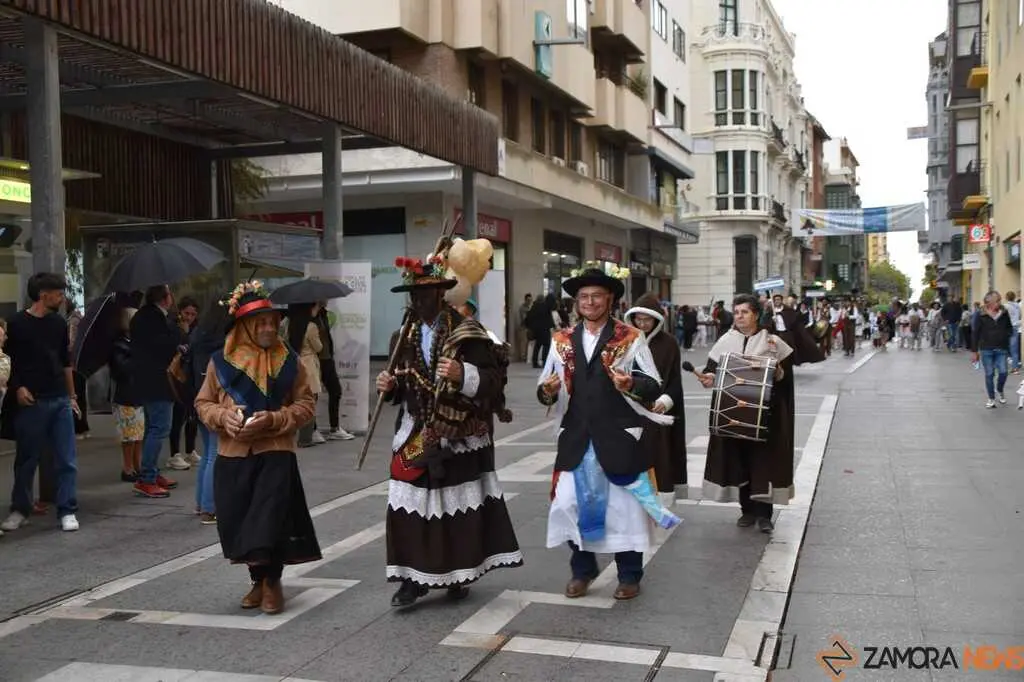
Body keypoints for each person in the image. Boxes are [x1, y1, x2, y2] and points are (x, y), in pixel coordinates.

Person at [376, 253, 522, 608]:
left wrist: (463, 375)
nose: (419, 301)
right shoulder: (401, 336)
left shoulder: (468, 333)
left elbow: (493, 383)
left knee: (457, 507)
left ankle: (459, 574)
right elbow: (401, 383)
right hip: (415, 431)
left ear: (441, 294)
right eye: (413, 295)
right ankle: (411, 580)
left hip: (458, 433)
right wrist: (389, 386)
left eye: (426, 294)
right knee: (409, 505)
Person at [537, 268, 677, 602]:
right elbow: (544, 391)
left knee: (624, 509)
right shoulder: (561, 341)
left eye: (596, 295)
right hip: (576, 436)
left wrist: (631, 384)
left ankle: (629, 575)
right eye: (583, 296)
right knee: (570, 504)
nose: (589, 302)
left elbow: (653, 384)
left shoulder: (629, 338)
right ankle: (582, 570)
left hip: (618, 435)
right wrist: (548, 390)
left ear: (609, 299)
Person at [194, 281, 321, 615]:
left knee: (270, 520)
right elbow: (202, 403)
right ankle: (257, 580)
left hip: (275, 452)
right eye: (260, 322)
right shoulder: (219, 361)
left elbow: (306, 405)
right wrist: (223, 417)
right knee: (241, 522)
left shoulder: (290, 361)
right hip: (232, 454)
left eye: (271, 321)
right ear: (245, 326)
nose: (268, 327)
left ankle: (272, 583)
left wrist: (276, 419)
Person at [694, 294, 795, 533]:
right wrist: (707, 379)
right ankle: (746, 511)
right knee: (739, 462)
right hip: (733, 414)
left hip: (763, 416)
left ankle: (764, 515)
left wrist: (777, 367)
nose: (739, 316)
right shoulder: (725, 341)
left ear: (756, 315)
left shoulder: (772, 342)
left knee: (763, 463)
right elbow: (712, 373)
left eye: (745, 312)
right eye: (737, 312)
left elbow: (785, 380)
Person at [0, 273, 81, 533]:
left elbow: (65, 361)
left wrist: (72, 396)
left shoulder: (58, 323)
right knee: (27, 458)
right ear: (43, 294)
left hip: (59, 397)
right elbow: (9, 362)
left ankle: (67, 509)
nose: (62, 297)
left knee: (66, 458)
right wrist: (18, 388)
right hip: (31, 400)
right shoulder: (16, 324)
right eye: (58, 293)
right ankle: (20, 508)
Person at [624, 293, 686, 505]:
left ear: (657, 320)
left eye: (647, 319)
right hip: (630, 409)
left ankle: (659, 497)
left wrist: (667, 400)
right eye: (638, 319)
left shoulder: (669, 344)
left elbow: (675, 380)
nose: (642, 324)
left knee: (659, 454)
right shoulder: (625, 342)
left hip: (658, 410)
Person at [130, 284, 186, 499]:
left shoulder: (144, 316)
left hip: (147, 380)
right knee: (160, 427)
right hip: (157, 381)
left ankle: (152, 472)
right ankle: (147, 477)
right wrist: (177, 333)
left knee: (152, 428)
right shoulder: (154, 319)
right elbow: (163, 345)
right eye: (170, 293)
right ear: (164, 298)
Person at [187, 298, 231, 525]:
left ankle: (201, 503)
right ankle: (209, 507)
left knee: (207, 453)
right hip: (214, 404)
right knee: (214, 452)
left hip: (197, 400)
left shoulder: (197, 336)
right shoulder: (221, 345)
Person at [109, 307, 143, 483]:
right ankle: (127, 467)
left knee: (138, 435)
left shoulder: (135, 342)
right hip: (125, 395)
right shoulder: (119, 345)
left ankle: (138, 466)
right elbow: (121, 369)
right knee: (129, 435)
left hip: (138, 393)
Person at [284, 303, 324, 447]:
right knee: (310, 401)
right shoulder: (311, 327)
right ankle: (305, 438)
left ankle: (292, 432)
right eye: (315, 307)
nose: (317, 309)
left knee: (295, 400)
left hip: (293, 364)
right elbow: (319, 347)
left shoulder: (286, 323)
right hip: (309, 365)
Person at [313, 303, 355, 441]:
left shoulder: (323, 314)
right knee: (312, 396)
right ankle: (312, 430)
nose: (326, 300)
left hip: (326, 359)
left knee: (335, 391)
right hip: (313, 359)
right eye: (323, 297)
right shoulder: (307, 318)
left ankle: (334, 428)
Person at [167, 297, 200, 470]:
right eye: (186, 313)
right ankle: (174, 453)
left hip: (191, 376)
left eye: (193, 314)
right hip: (177, 376)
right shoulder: (173, 327)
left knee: (192, 416)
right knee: (178, 416)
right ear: (180, 312)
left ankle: (190, 449)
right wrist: (184, 333)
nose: (189, 317)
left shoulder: (197, 329)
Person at [970, 290, 1013, 408]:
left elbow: (1009, 327)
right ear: (989, 302)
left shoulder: (1004, 312)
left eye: (999, 300)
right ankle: (991, 398)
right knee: (989, 374)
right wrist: (974, 351)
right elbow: (975, 333)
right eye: (997, 300)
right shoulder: (980, 314)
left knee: (1003, 372)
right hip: (986, 348)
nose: (999, 303)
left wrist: (1005, 335)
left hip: (1001, 348)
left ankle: (999, 390)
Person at [1005, 291, 1020, 374]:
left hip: (1007, 328)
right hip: (1015, 327)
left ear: (1006, 297)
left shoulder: (1005, 306)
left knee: (1003, 348)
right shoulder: (1018, 305)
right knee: (1015, 349)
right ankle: (1015, 369)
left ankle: (1004, 368)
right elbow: (1020, 315)